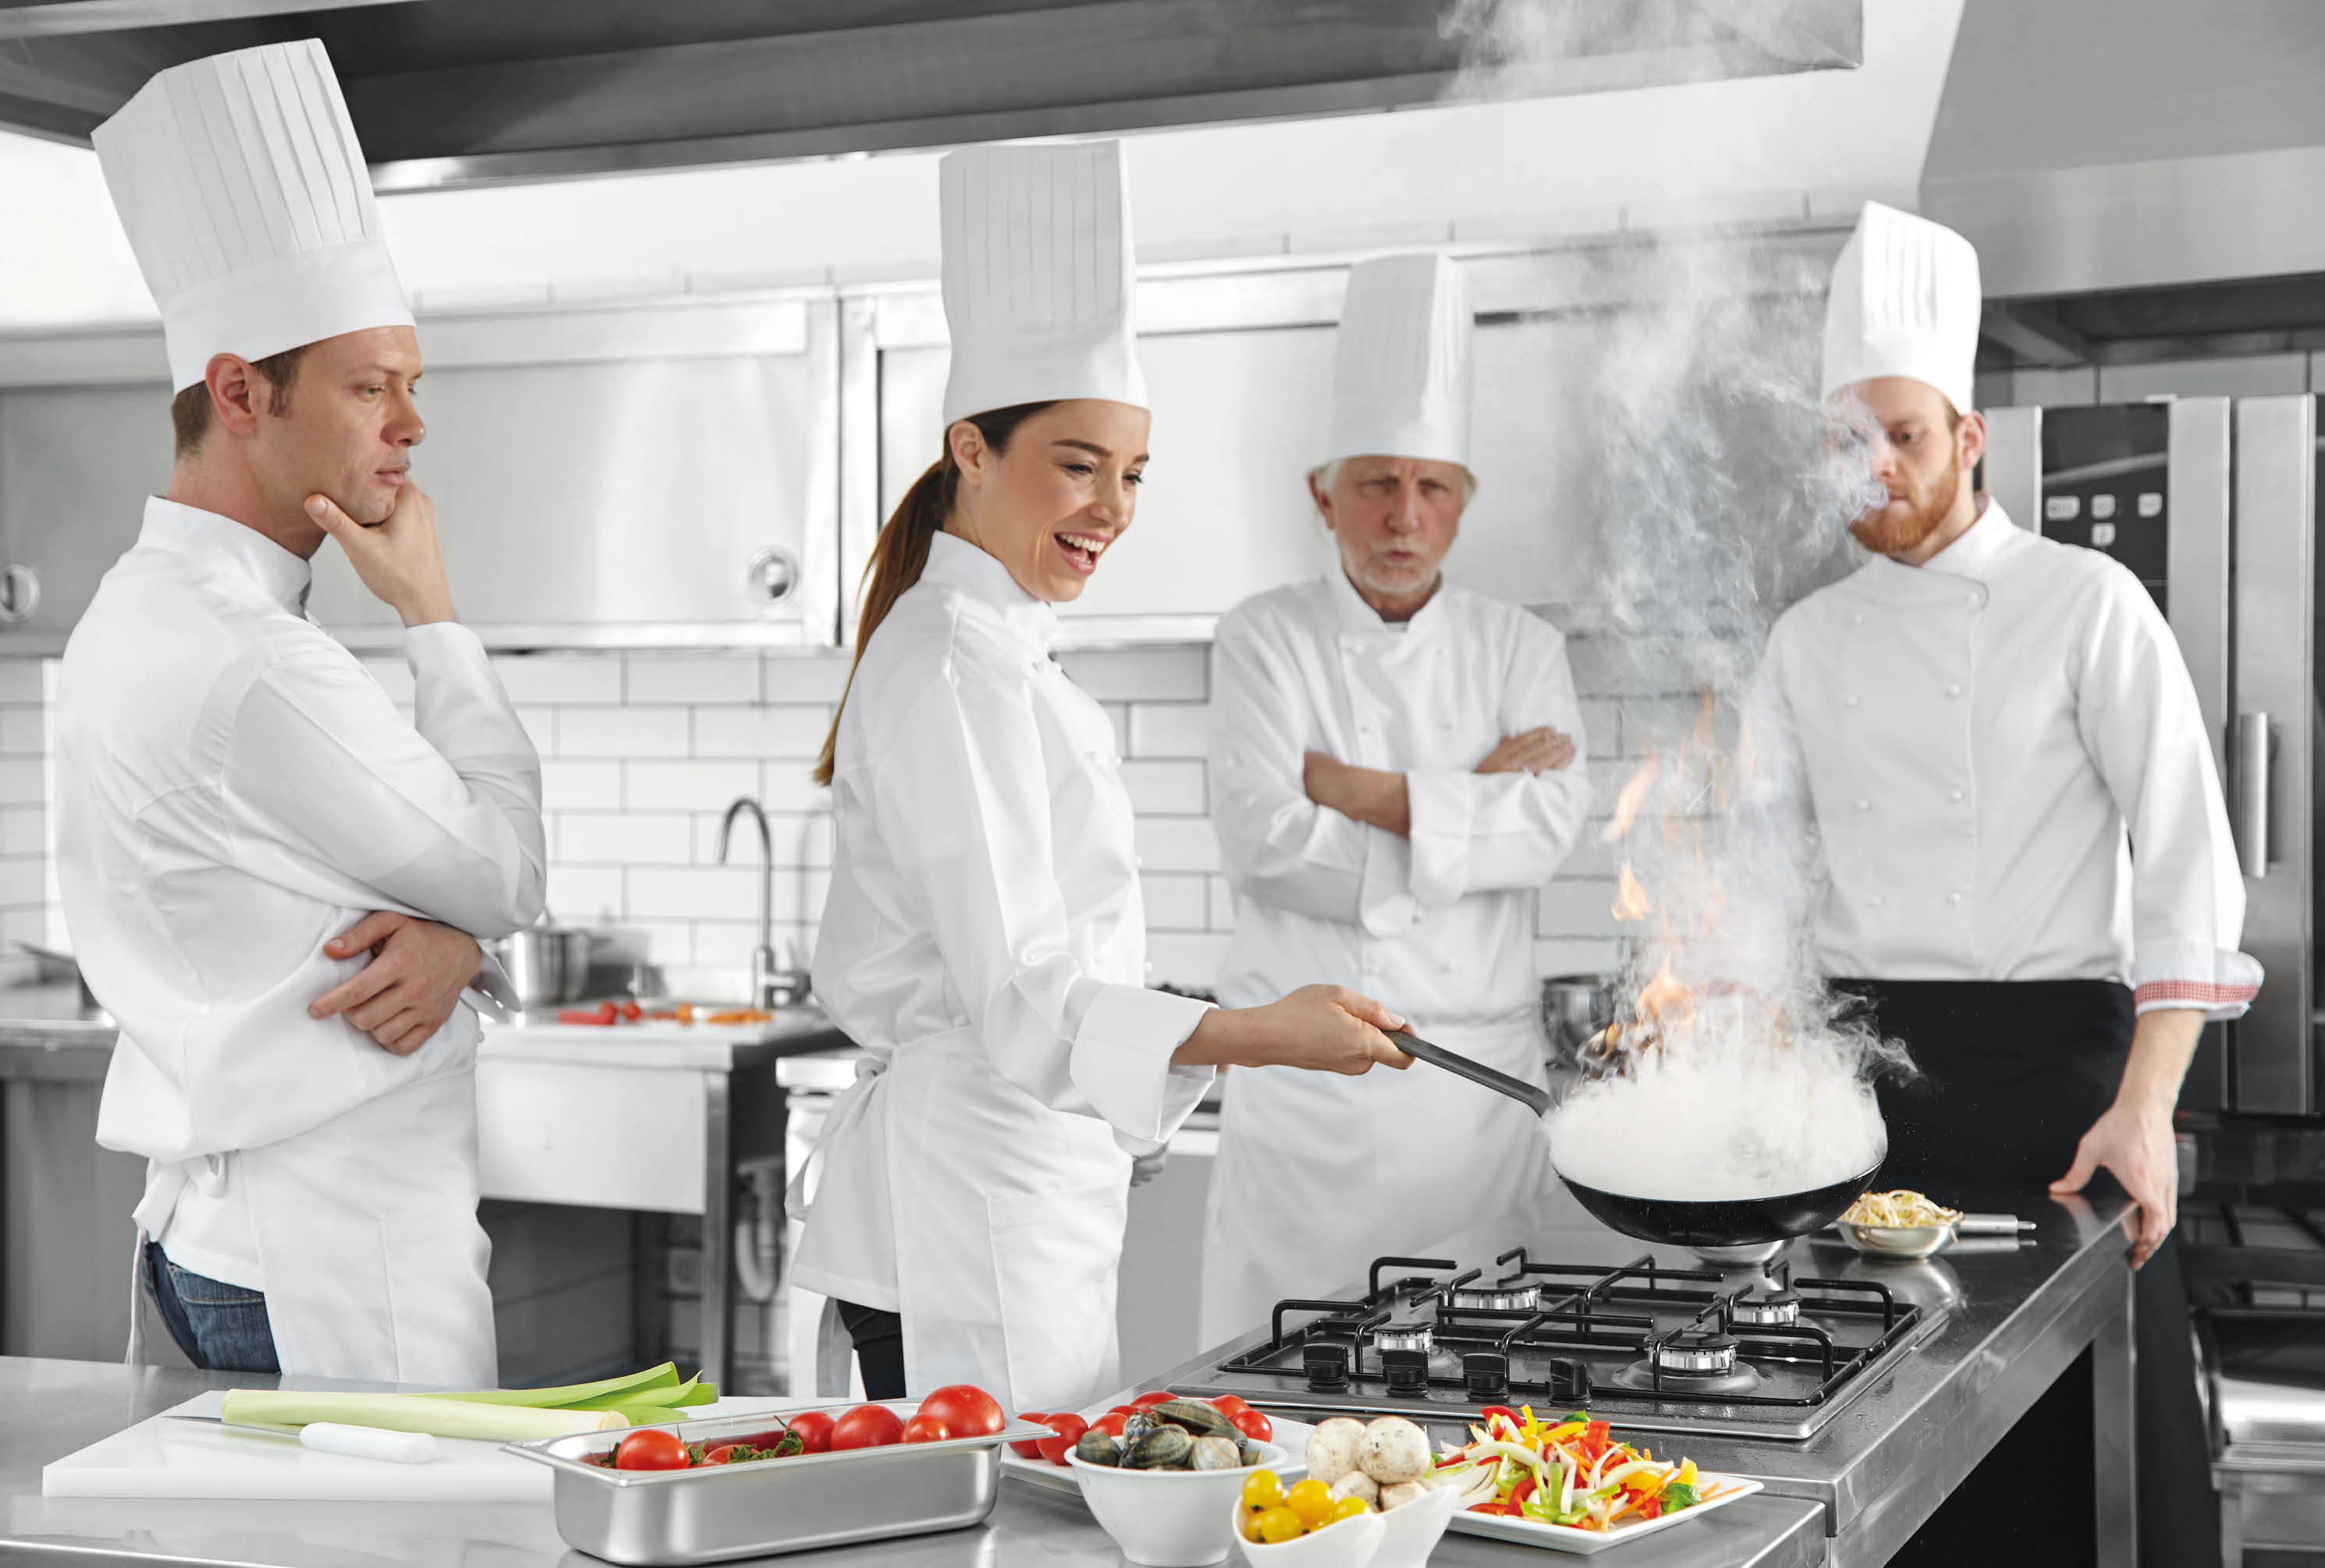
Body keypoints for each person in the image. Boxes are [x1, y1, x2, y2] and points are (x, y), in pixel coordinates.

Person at [789, 140, 1413, 1415]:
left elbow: (1043, 967)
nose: (1113, 508)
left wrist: (1184, 1029)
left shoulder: (1006, 652)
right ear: (971, 446)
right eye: (1078, 464)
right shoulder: (951, 664)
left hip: (1021, 1189)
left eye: (1132, 473)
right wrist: (1256, 1035)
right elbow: (1023, 994)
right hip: (962, 1210)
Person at [1745, 200, 2252, 1566]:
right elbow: (1752, 891)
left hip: (2060, 1101)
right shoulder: (1801, 643)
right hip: (1864, 1110)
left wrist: (2148, 1106)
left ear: (1969, 437)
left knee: (2070, 1484)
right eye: (1851, 441)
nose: (1880, 469)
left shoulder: (2086, 603)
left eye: (1906, 436)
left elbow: (2191, 868)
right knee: (1885, 1479)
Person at [58, 39, 547, 1385]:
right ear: (238, 392)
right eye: (370, 384)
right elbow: (509, 867)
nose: (411, 423)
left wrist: (455, 945)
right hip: (336, 1256)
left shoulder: (134, 609)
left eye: (415, 385)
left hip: (225, 1229)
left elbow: (342, 887)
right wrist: (435, 617)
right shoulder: (250, 656)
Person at [1198, 254, 1594, 1340]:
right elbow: (1267, 841)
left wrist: (1353, 787)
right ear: (1323, 493)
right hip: (1305, 1109)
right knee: (1280, 1385)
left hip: (1471, 1105)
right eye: (1376, 483)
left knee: (1472, 1390)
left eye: (1432, 487)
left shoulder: (1523, 646)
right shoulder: (1263, 638)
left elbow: (1551, 829)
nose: (1402, 516)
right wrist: (1471, 803)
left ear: (1464, 506)